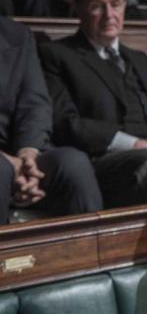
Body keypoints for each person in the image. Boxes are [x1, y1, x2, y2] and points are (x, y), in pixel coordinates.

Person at [38, 0, 147, 208]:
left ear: (124, 7)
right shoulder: (56, 55)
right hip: (107, 159)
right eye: (97, 6)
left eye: (115, 5)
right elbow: (65, 123)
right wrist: (132, 144)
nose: (109, 15)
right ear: (79, 10)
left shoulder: (140, 59)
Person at [0, 16, 103, 224]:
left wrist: (27, 153)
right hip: (4, 162)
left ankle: (88, 245)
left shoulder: (17, 34)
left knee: (73, 164)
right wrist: (9, 163)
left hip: (16, 154)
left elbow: (34, 102)